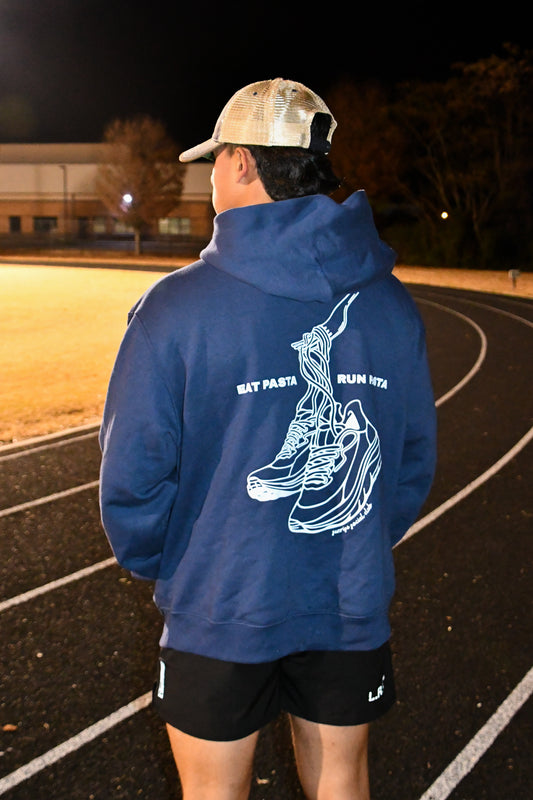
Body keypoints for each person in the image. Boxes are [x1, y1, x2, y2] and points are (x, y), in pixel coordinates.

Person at [99, 78, 437, 800]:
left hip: (219, 602)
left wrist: (179, 565)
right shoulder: (391, 303)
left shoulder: (173, 309)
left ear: (243, 162)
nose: (210, 177)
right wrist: (354, 540)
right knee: (342, 780)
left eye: (215, 160)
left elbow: (133, 480)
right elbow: (410, 464)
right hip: (346, 592)